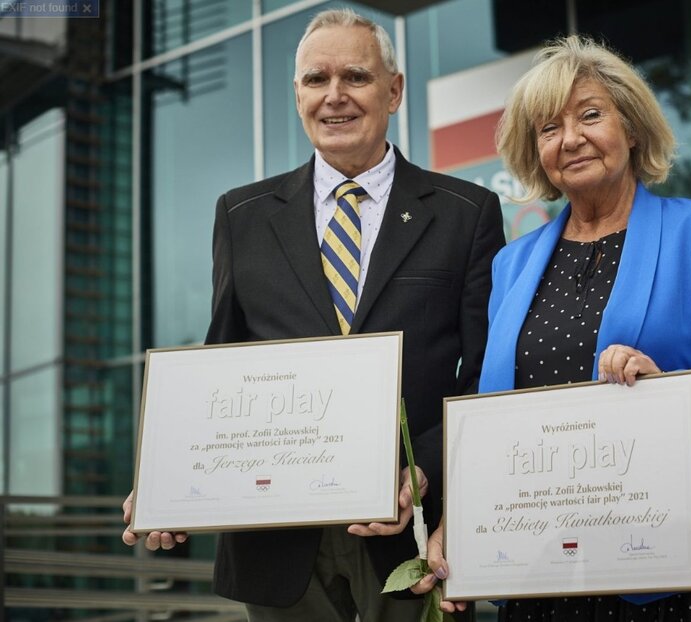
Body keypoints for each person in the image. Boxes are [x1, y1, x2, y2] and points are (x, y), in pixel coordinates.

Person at [121, 8, 504, 622]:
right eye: (315, 79)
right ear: (296, 93)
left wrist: (424, 473)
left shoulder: (467, 212)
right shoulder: (240, 216)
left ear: (394, 90)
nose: (335, 97)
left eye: (355, 76)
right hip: (275, 535)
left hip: (404, 532)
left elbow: (483, 374)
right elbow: (221, 358)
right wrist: (167, 481)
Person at [412, 35, 691, 621]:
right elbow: (491, 417)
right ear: (536, 152)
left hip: (684, 563)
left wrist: (674, 394)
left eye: (590, 115)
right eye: (548, 128)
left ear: (631, 129)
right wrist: (457, 524)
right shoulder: (511, 263)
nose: (571, 139)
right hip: (543, 571)